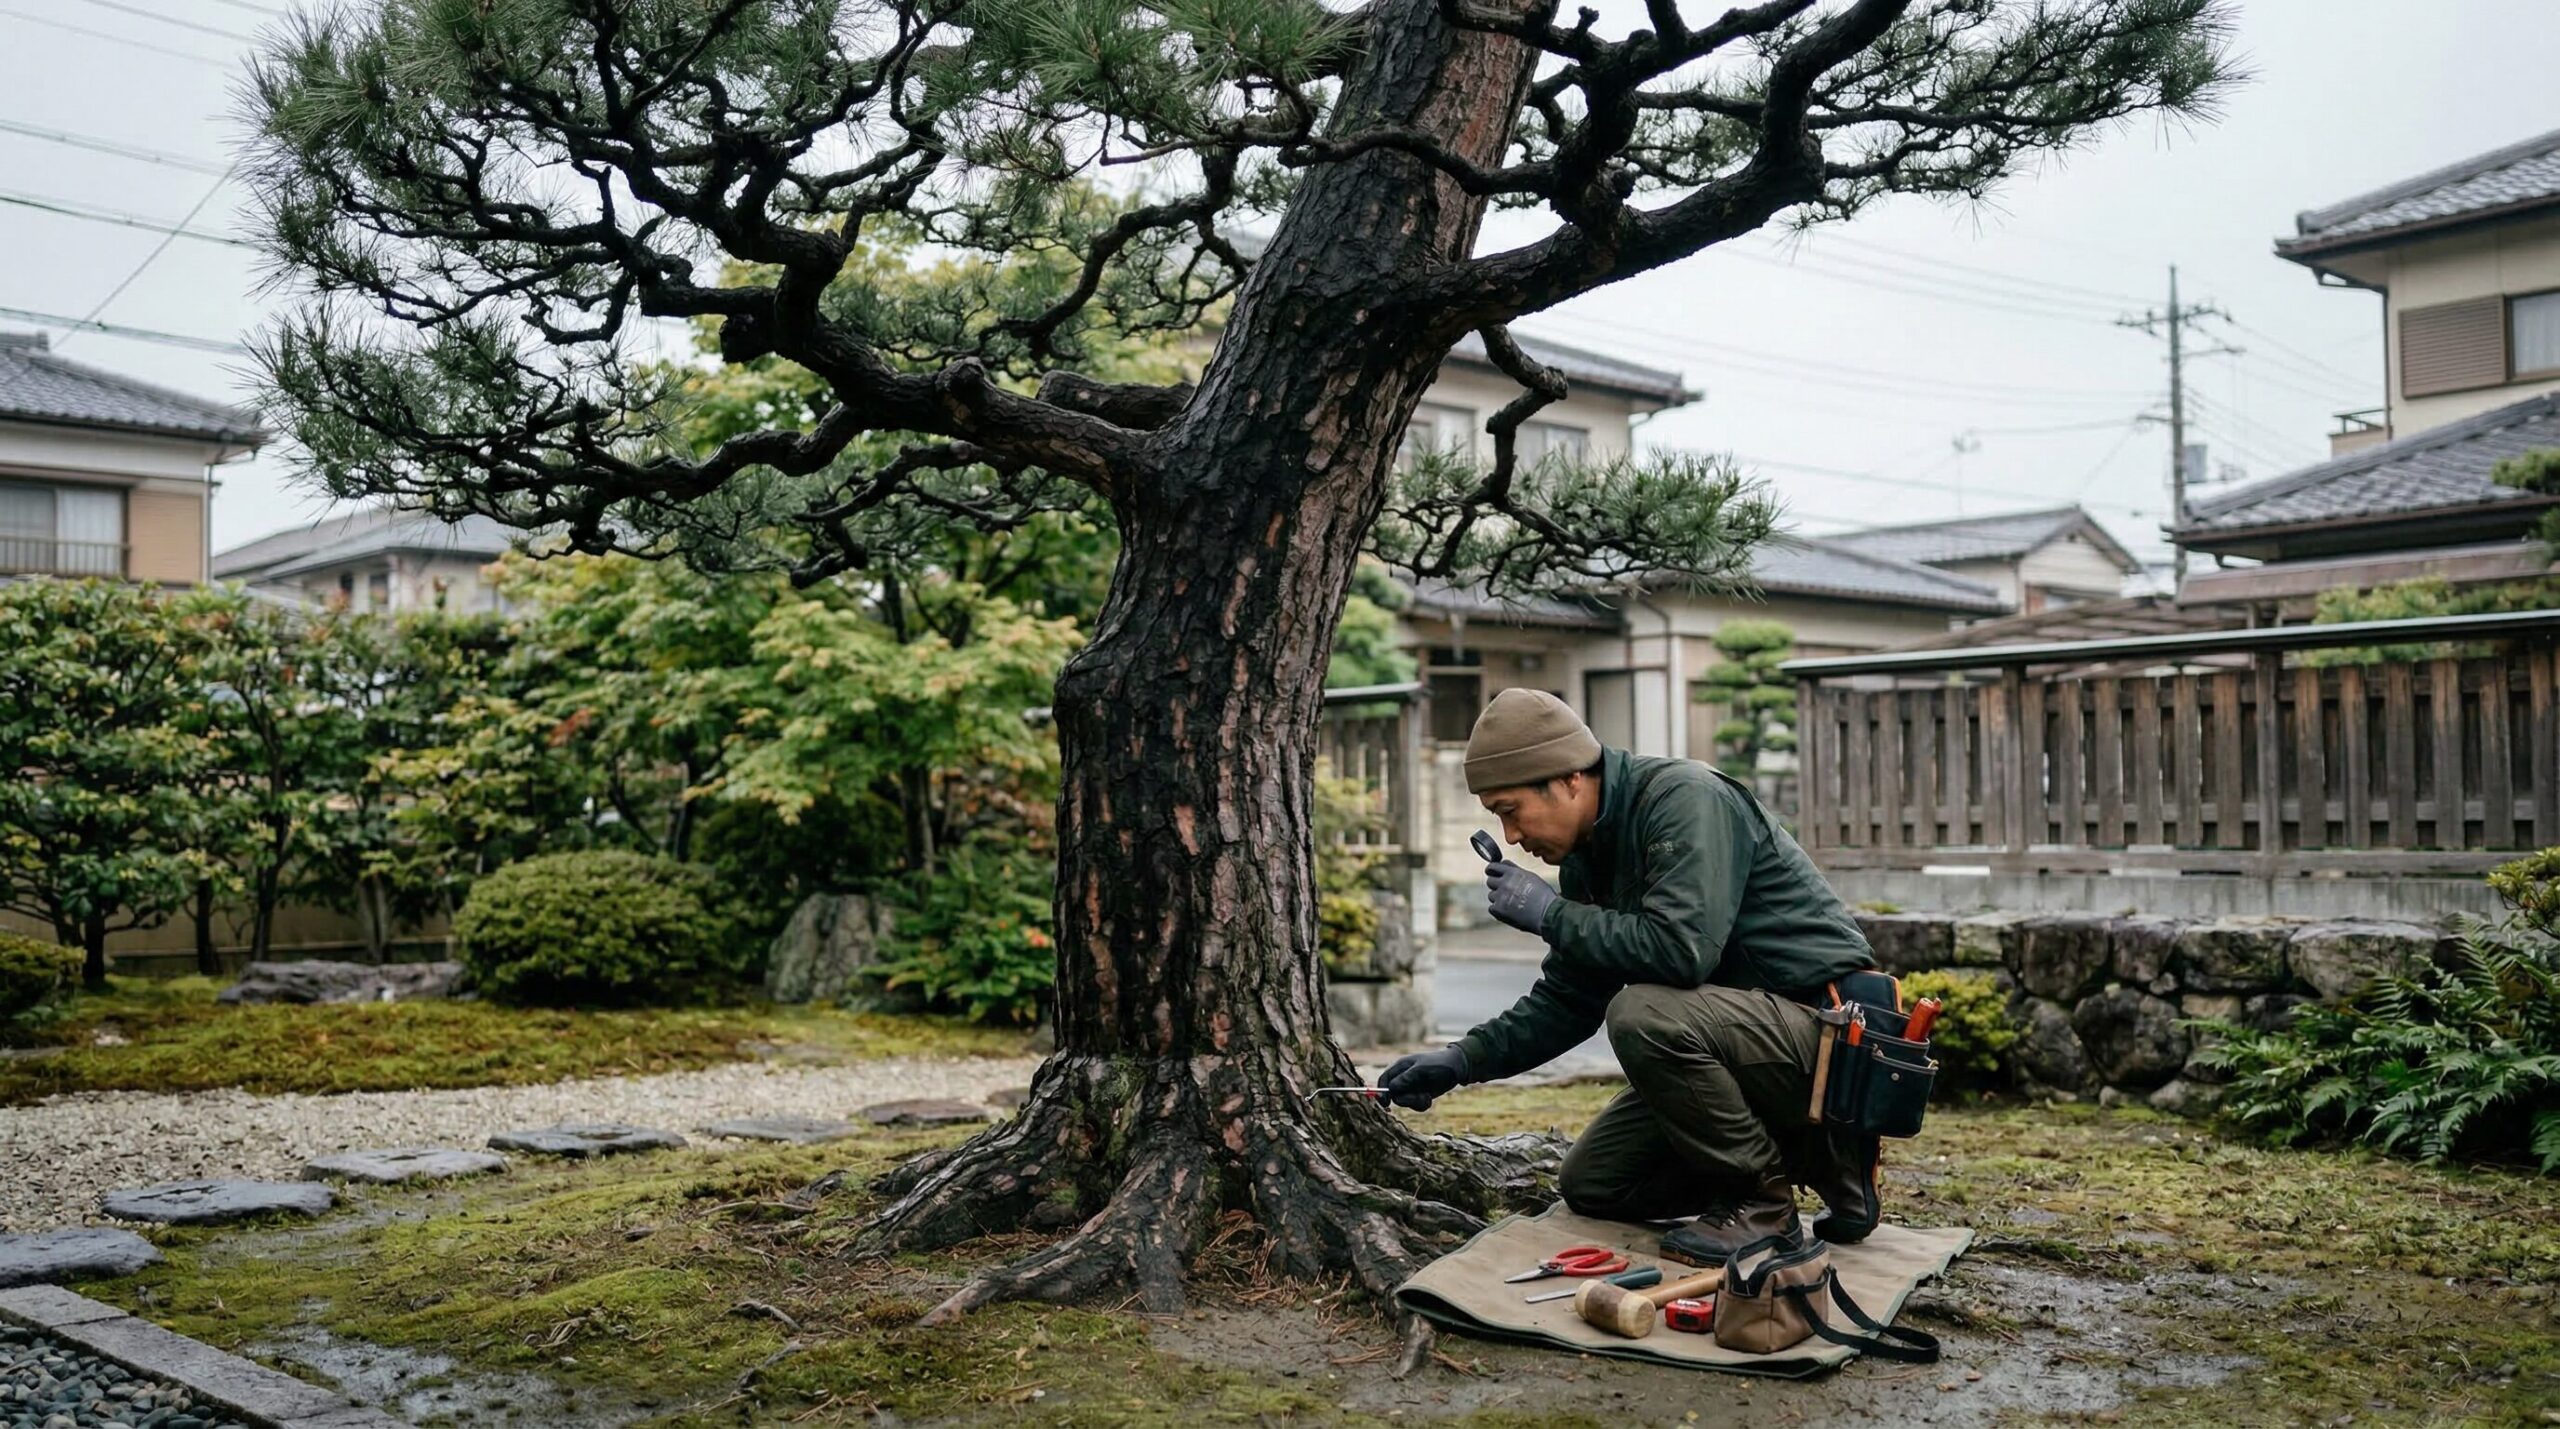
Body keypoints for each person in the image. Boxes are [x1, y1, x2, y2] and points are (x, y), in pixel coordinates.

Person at [1377, 688, 1883, 1264]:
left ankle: (1761, 1206)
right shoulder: (1588, 855)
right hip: (1754, 1049)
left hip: (1830, 1038)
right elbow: (1569, 999)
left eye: (1510, 811)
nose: (1511, 837)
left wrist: (1551, 914)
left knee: (1643, 1013)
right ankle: (1819, 1153)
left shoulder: (1684, 799)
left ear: (1569, 779)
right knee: (1596, 1184)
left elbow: (1680, 952)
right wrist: (1463, 1059)